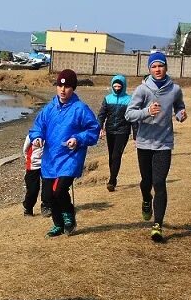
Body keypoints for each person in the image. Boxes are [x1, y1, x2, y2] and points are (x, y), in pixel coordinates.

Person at [28, 69, 100, 237]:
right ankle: (58, 224)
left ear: (73, 88)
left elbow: (93, 130)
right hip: (50, 157)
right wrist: (37, 137)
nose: (62, 90)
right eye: (60, 86)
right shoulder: (49, 108)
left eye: (67, 86)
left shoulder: (80, 108)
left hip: (70, 157)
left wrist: (78, 139)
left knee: (59, 191)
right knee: (48, 195)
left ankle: (69, 217)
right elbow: (37, 127)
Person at [125, 52, 187, 243]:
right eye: (154, 66)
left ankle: (157, 224)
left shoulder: (175, 89)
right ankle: (146, 199)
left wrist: (180, 114)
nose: (158, 69)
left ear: (166, 67)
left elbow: (179, 106)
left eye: (161, 66)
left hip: (164, 143)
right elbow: (129, 114)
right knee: (146, 181)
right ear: (149, 69)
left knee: (159, 182)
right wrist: (147, 112)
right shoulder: (142, 90)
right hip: (144, 142)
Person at [96, 74, 132, 192]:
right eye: (115, 86)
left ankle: (112, 180)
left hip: (123, 131)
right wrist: (100, 127)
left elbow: (133, 118)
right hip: (110, 130)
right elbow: (102, 115)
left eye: (119, 86)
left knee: (117, 155)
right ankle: (113, 177)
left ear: (123, 86)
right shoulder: (107, 99)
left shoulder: (129, 99)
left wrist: (136, 135)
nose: (117, 88)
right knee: (111, 155)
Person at [22, 133, 50, 217]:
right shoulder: (31, 135)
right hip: (33, 165)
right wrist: (30, 159)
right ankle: (28, 207)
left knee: (48, 186)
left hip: (47, 164)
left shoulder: (50, 133)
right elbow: (25, 150)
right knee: (33, 189)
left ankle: (46, 206)